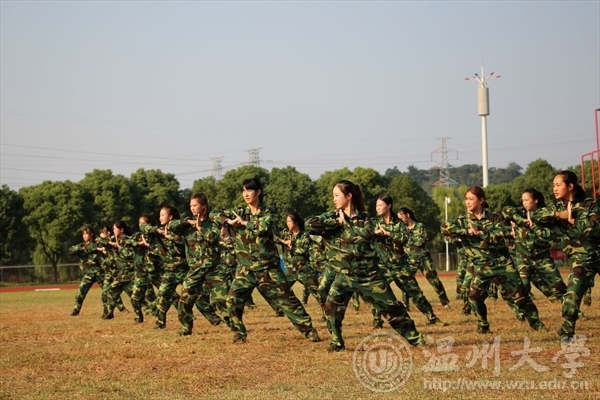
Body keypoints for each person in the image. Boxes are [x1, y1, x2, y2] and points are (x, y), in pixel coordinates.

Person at [307, 180, 425, 352]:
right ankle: (337, 342)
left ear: (349, 196)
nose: (334, 199)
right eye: (333, 196)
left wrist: (346, 224)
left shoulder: (365, 219)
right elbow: (309, 224)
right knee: (331, 307)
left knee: (393, 308)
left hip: (369, 276)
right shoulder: (330, 217)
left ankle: (417, 340)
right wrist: (336, 223)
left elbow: (365, 236)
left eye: (337, 195)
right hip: (344, 275)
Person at [213, 178, 320, 344]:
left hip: (268, 268)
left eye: (249, 190)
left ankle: (309, 330)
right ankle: (239, 333)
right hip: (246, 268)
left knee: (287, 300)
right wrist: (228, 221)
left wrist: (245, 223)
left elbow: (263, 228)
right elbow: (214, 214)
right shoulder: (238, 211)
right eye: (243, 191)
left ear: (258, 192)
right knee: (232, 301)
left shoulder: (268, 212)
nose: (246, 194)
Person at [441, 186, 546, 334]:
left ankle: (537, 324)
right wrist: (466, 231)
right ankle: (483, 326)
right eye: (466, 199)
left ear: (481, 200)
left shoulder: (495, 217)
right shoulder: (462, 221)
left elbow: (503, 232)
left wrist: (480, 233)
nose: (467, 202)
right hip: (481, 265)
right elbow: (445, 228)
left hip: (502, 263)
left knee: (520, 296)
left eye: (471, 199)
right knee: (474, 297)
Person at [539, 171, 600, 340]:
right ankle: (567, 333)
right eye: (553, 186)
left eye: (558, 185)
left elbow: (595, 228)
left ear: (570, 186)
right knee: (572, 294)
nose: (555, 189)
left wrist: (574, 220)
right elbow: (536, 215)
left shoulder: (590, 205)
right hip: (582, 260)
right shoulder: (556, 208)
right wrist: (560, 215)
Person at [373, 195, 445, 327]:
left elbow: (406, 239)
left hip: (400, 265)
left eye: (380, 205)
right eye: (376, 205)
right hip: (383, 266)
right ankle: (377, 321)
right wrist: (375, 233)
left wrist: (388, 234)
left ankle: (432, 317)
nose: (377, 208)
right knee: (379, 292)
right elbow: (366, 236)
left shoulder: (400, 224)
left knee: (416, 293)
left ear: (389, 206)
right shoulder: (374, 223)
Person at [174, 193, 231, 336]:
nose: (192, 208)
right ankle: (186, 328)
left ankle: (234, 326)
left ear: (203, 207)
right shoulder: (187, 225)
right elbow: (171, 226)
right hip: (195, 269)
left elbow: (214, 238)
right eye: (191, 206)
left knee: (223, 300)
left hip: (213, 268)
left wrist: (200, 228)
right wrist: (189, 222)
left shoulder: (213, 222)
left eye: (195, 205)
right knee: (185, 299)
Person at [502, 188, 567, 302]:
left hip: (542, 258)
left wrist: (534, 226)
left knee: (559, 287)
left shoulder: (545, 215)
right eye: (523, 200)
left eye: (527, 200)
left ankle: (569, 307)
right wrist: (520, 220)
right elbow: (505, 210)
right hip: (523, 258)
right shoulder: (521, 213)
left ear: (536, 200)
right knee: (523, 286)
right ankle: (526, 310)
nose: (524, 203)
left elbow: (550, 235)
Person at [141, 205, 189, 330]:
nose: (160, 218)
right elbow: (143, 227)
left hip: (184, 269)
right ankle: (160, 323)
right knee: (162, 296)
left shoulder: (180, 230)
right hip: (169, 271)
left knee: (197, 298)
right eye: (159, 215)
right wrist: (158, 231)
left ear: (171, 217)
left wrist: (172, 237)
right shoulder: (159, 231)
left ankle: (217, 320)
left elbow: (184, 241)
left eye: (163, 215)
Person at [398, 207, 450, 308]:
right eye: (399, 219)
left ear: (407, 215)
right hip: (410, 260)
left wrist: (407, 238)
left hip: (424, 259)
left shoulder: (420, 226)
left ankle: (445, 302)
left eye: (402, 217)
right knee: (407, 282)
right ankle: (405, 304)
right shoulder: (401, 229)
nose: (401, 220)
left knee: (435, 281)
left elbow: (421, 241)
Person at [276, 212, 322, 308]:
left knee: (319, 294)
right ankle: (282, 310)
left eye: (290, 221)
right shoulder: (285, 233)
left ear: (296, 222)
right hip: (291, 270)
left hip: (304, 270)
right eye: (287, 221)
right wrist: (284, 241)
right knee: (282, 290)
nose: (288, 223)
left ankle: (329, 311)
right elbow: (272, 236)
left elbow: (303, 250)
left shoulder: (305, 235)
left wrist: (291, 246)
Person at [103, 221, 136, 320]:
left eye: (115, 229)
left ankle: (150, 309)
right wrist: (109, 242)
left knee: (113, 289)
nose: (113, 230)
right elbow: (100, 240)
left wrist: (119, 248)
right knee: (130, 293)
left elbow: (130, 255)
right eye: (113, 229)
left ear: (121, 230)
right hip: (123, 271)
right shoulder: (116, 239)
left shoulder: (126, 239)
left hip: (129, 270)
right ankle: (109, 313)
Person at [69, 226, 105, 316]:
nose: (84, 236)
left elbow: (97, 247)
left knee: (108, 291)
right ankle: (76, 310)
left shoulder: (98, 244)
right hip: (88, 274)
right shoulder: (81, 246)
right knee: (80, 292)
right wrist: (81, 249)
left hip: (99, 272)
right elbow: (71, 250)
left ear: (91, 234)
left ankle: (121, 308)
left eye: (86, 234)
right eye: (83, 234)